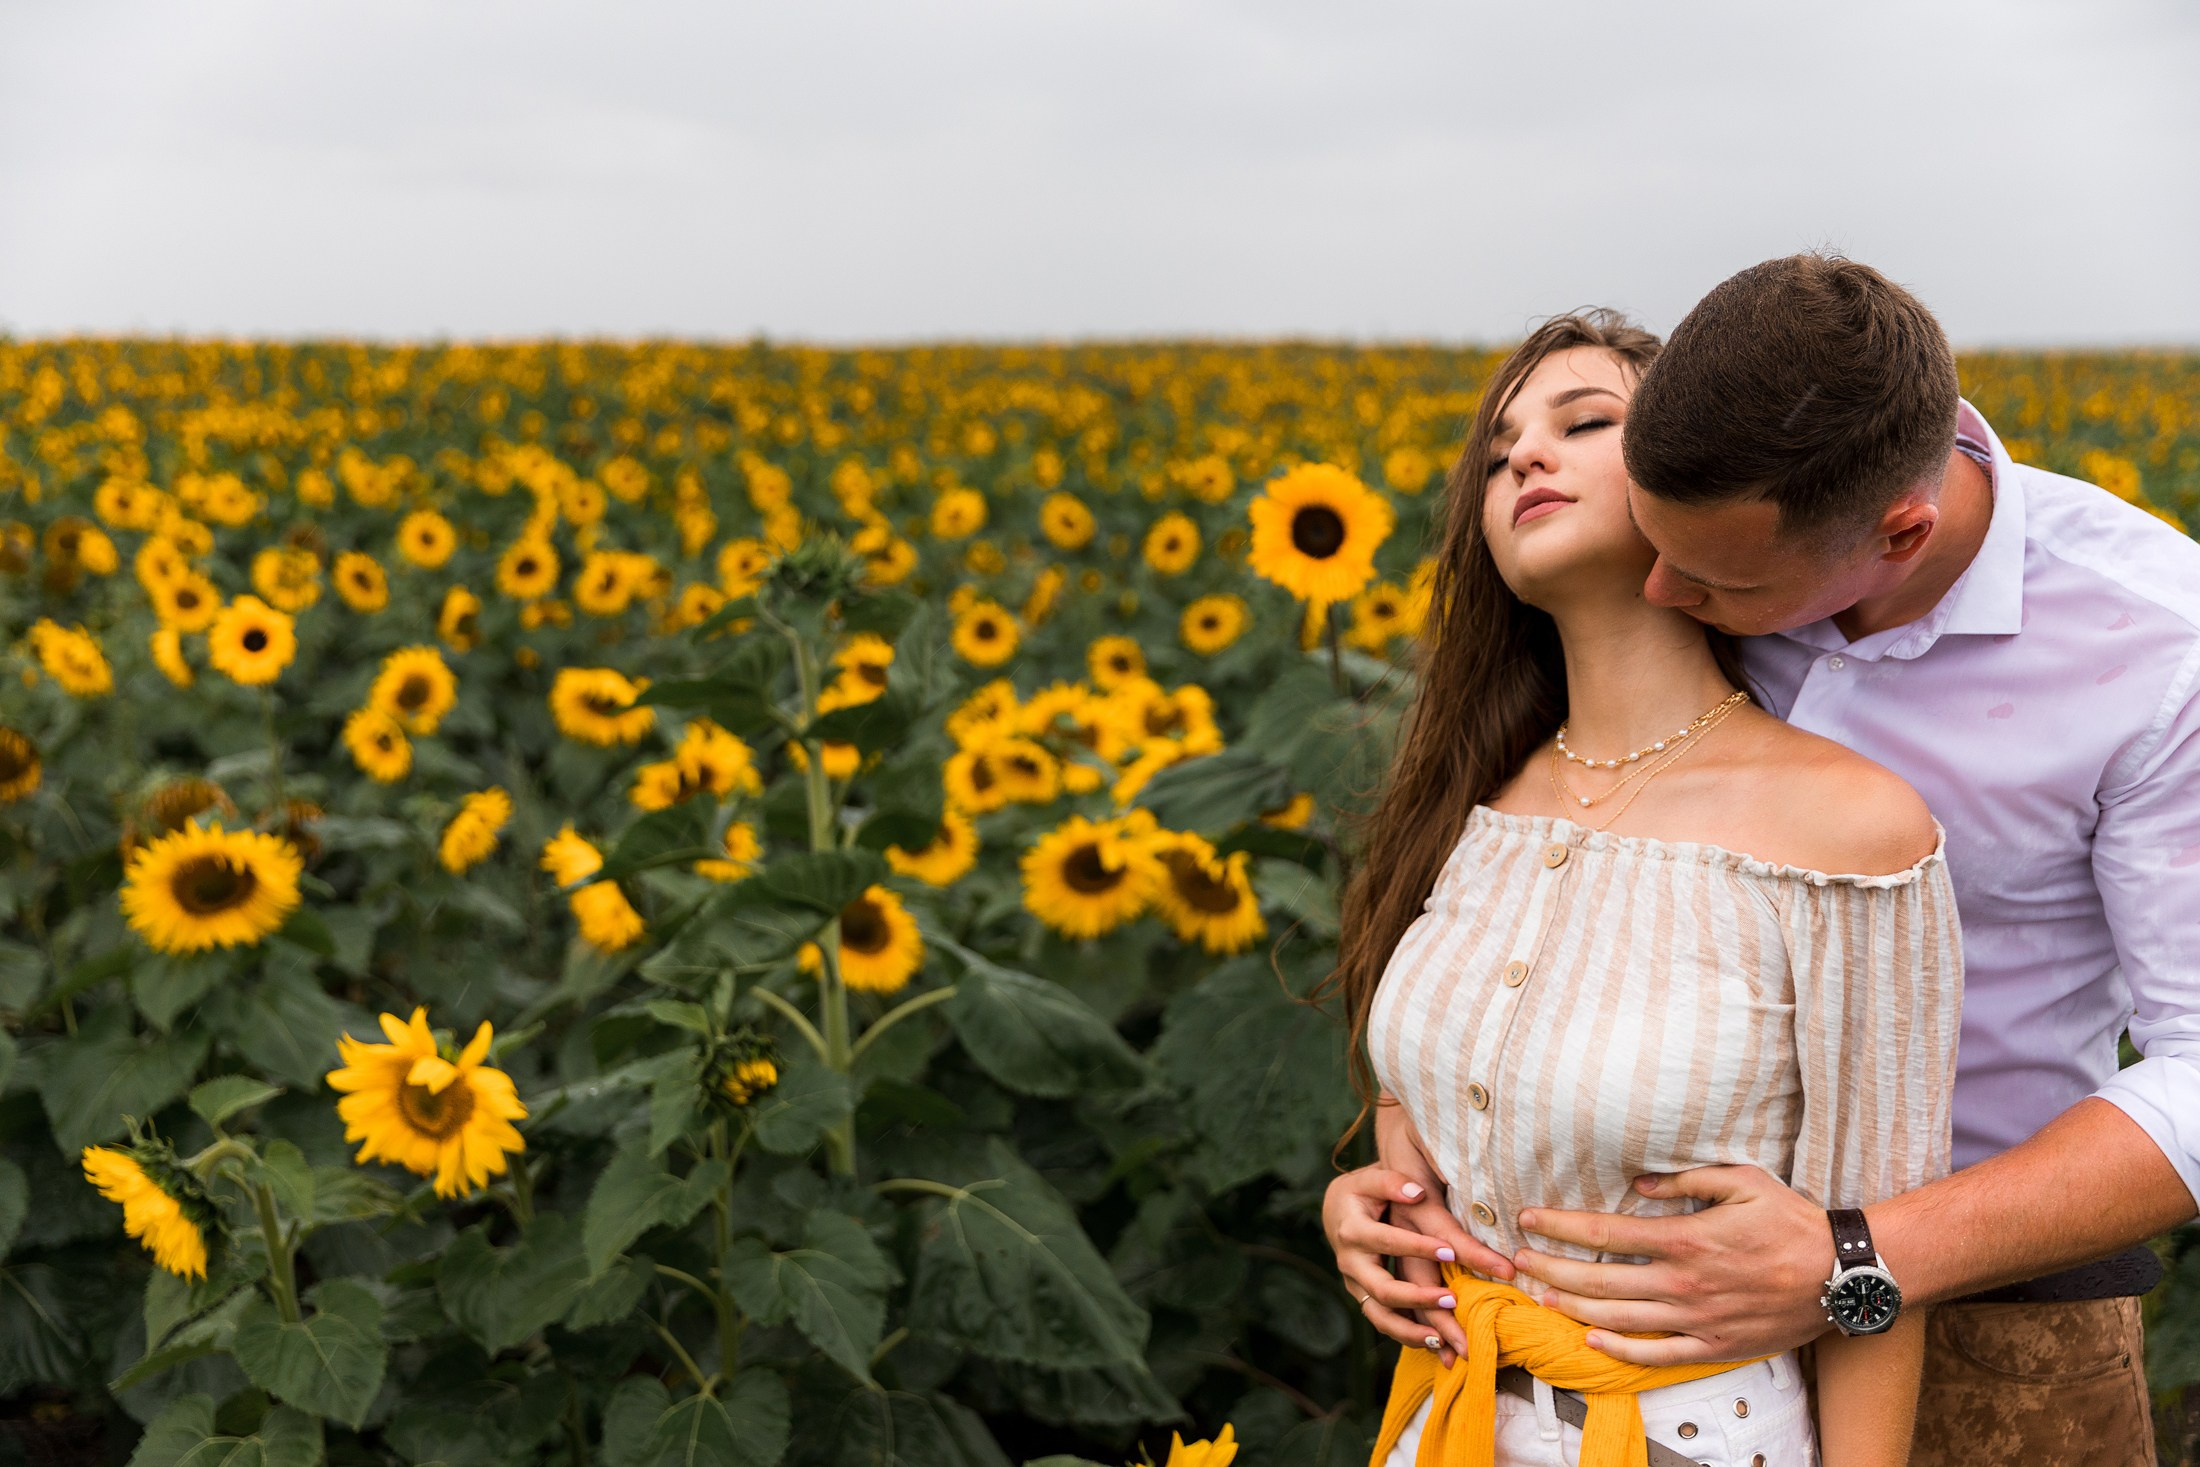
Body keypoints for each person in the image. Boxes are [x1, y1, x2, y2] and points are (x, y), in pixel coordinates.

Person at [1327, 255, 2200, 1467]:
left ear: (1898, 535)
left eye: (1714, 583)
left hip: (2003, 1298)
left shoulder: (2154, 648)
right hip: (1586, 1328)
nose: (1663, 584)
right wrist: (1418, 1170)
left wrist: (1852, 1257)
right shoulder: (1718, 514)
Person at [1318, 307, 1963, 1467]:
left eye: (1583, 423)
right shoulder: (1468, 800)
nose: (1523, 455)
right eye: (1498, 450)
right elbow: (1441, 1113)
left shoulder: (1848, 827)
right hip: (1445, 1420)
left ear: (1685, 478)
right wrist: (1375, 1203)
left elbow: (1874, 1249)